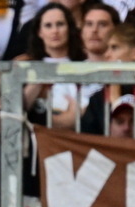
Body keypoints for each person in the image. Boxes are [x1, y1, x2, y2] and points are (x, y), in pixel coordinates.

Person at [20, 2, 87, 130]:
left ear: (69, 28)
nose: (55, 31)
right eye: (48, 25)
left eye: (60, 24)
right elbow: (17, 110)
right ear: (40, 32)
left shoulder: (85, 65)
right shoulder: (27, 67)